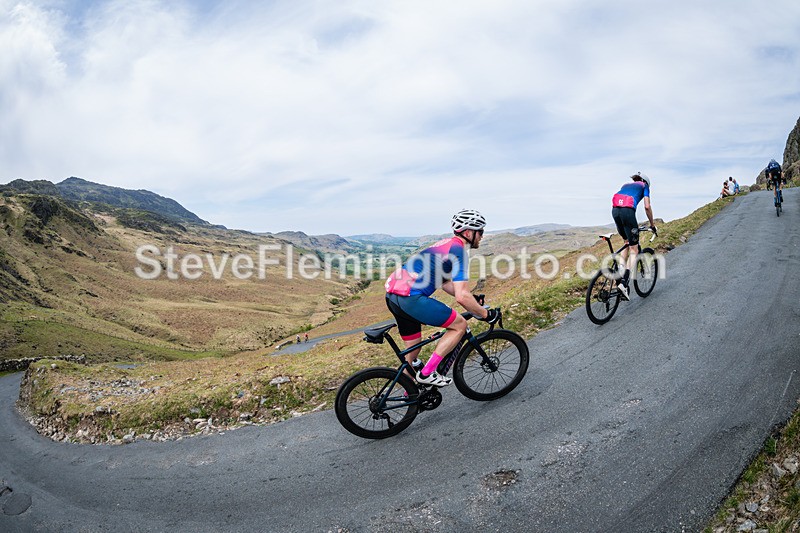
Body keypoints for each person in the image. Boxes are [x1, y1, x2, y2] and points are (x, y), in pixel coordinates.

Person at [384, 208, 497, 387]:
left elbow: (445, 283)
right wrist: (486, 314)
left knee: (411, 354)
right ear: (469, 232)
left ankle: (411, 393)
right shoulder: (459, 251)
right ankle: (427, 373)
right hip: (411, 298)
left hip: (393, 296)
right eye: (480, 231)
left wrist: (473, 300)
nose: (482, 236)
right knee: (459, 325)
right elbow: (461, 297)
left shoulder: (444, 244)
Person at [611, 173, 657, 301]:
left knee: (627, 242)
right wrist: (652, 225)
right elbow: (647, 206)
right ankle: (624, 283)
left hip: (615, 211)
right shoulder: (644, 186)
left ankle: (620, 274)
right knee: (634, 249)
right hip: (627, 212)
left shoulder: (625, 185)